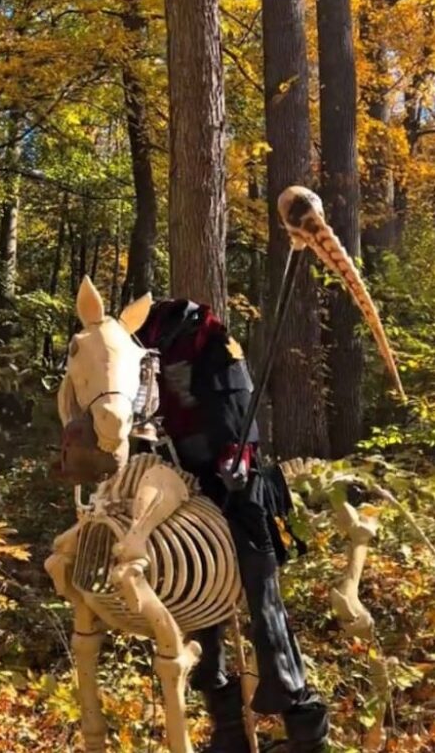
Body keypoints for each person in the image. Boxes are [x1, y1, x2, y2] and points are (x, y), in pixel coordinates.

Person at [136, 297, 329, 753]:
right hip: (184, 478)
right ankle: (228, 733)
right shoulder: (141, 347)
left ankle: (305, 729)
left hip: (236, 483)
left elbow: (238, 405)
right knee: (201, 603)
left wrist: (237, 457)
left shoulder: (213, 339)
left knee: (261, 594)